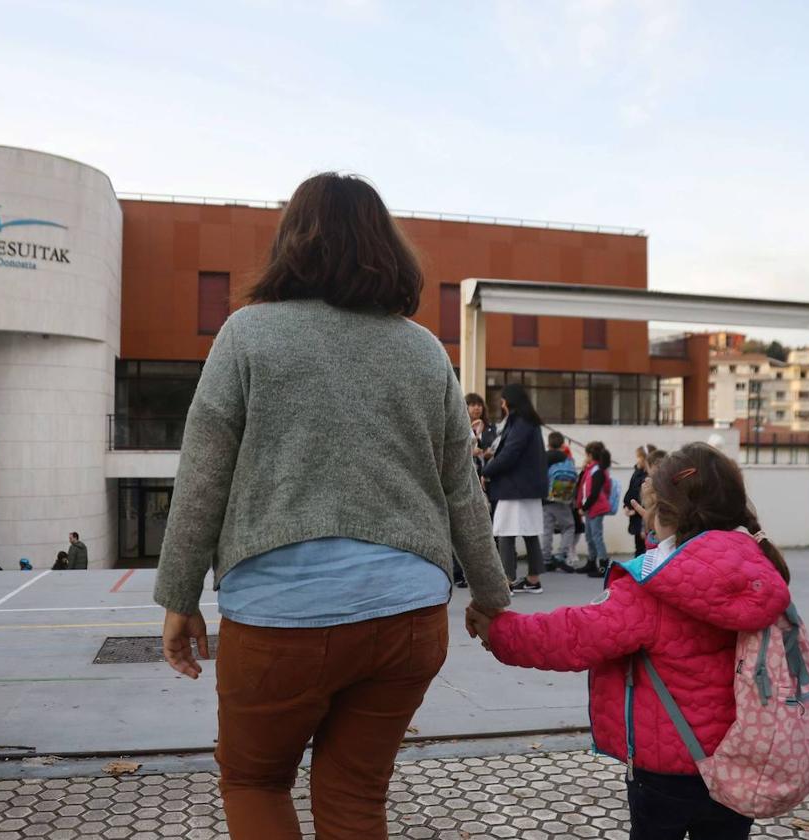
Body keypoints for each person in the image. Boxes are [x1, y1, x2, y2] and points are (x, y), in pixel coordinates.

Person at [152, 172, 510, 840]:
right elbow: (460, 488)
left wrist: (178, 597)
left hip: (277, 616)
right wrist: (491, 595)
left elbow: (203, 478)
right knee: (354, 797)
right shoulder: (424, 350)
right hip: (408, 614)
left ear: (291, 242)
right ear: (387, 248)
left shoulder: (246, 335)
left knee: (256, 781)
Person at [467, 442, 792, 840]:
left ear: (662, 512)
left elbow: (574, 636)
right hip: (737, 762)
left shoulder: (654, 587)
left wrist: (499, 630)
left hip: (667, 768)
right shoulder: (760, 567)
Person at [482, 383, 549, 594]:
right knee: (529, 532)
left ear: (508, 401)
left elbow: (509, 454)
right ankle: (533, 579)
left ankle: (506, 581)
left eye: (502, 399)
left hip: (514, 488)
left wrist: (487, 471)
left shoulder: (519, 422)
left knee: (505, 532)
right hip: (528, 488)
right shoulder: (529, 422)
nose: (501, 403)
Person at [455, 393, 497, 588]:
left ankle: (484, 572)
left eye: (479, 404)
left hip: (485, 481)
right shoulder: (457, 423)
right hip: (463, 481)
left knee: (483, 526)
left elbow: (495, 449)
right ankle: (459, 572)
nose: (476, 408)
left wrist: (485, 451)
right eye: (472, 404)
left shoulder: (490, 429)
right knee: (462, 525)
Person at [542, 431, 578, 572]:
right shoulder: (566, 458)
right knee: (569, 526)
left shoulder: (542, 457)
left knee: (547, 530)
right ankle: (560, 555)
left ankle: (546, 559)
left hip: (545, 498)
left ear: (548, 443)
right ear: (562, 444)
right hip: (563, 498)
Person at [575, 441, 611, 577]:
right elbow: (581, 485)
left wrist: (584, 507)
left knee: (596, 537)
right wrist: (584, 468)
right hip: (591, 509)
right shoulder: (591, 469)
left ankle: (603, 566)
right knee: (590, 536)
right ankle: (591, 562)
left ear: (590, 455)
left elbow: (594, 493)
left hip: (596, 508)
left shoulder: (598, 471)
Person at [623, 445, 653, 557]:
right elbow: (630, 491)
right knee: (638, 547)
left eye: (639, 457)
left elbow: (646, 499)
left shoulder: (649, 477)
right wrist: (626, 506)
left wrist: (635, 510)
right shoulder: (636, 472)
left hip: (643, 517)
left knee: (646, 548)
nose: (637, 459)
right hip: (635, 516)